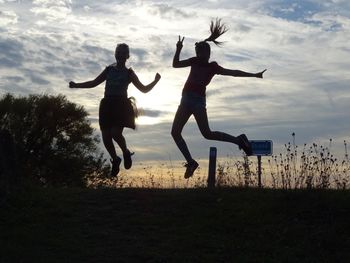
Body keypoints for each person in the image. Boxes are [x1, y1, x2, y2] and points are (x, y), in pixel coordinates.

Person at [172, 19, 266, 178]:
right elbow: (175, 64)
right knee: (175, 132)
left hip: (197, 101)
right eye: (198, 52)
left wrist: (254, 75)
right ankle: (191, 162)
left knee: (207, 133)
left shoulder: (212, 67)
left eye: (201, 52)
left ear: (208, 53)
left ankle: (239, 141)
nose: (199, 54)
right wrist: (178, 49)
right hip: (186, 99)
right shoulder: (194, 61)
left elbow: (234, 72)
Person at [69, 43, 161, 177]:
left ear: (127, 56)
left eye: (123, 52)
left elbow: (144, 89)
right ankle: (116, 159)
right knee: (106, 136)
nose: (120, 54)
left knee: (115, 133)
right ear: (115, 54)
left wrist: (156, 81)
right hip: (107, 104)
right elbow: (94, 83)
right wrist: (77, 85)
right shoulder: (109, 70)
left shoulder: (129, 73)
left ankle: (125, 152)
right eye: (118, 52)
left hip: (121, 105)